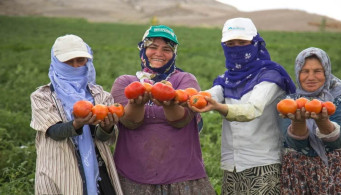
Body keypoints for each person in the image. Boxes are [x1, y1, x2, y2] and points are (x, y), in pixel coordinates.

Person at [188, 17, 296, 194]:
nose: (236, 48)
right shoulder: (227, 79)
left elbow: (252, 110)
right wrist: (189, 97)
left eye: (242, 42)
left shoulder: (270, 77)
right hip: (232, 165)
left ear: (254, 43)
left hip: (263, 163)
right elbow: (213, 93)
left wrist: (217, 107)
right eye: (230, 43)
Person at [110, 25, 215, 194]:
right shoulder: (125, 83)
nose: (159, 53)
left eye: (167, 49)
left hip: (182, 177)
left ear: (174, 54)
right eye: (152, 47)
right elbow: (130, 123)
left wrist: (170, 103)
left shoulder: (185, 80)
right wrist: (136, 104)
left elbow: (181, 120)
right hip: (132, 176)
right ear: (143, 49)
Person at [30, 34, 123, 195]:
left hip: (98, 172)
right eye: (68, 61)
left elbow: (102, 138)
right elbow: (53, 131)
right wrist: (77, 124)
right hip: (58, 172)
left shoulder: (100, 96)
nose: (75, 66)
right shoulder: (42, 96)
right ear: (56, 62)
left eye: (80, 60)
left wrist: (107, 127)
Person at [278, 47, 341, 194]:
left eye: (317, 71)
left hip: (339, 171)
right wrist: (298, 122)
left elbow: (340, 141)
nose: (311, 77)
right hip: (299, 173)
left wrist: (322, 121)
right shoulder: (289, 102)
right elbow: (295, 144)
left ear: (326, 71)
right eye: (304, 71)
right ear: (297, 73)